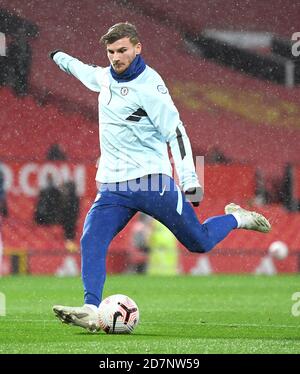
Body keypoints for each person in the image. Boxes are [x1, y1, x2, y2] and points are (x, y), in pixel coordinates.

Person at [50, 22, 271, 332]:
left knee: (199, 242)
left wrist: (190, 179)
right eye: (111, 52)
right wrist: (59, 57)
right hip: (114, 185)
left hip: (152, 182)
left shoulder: (150, 87)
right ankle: (91, 308)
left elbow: (175, 132)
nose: (116, 57)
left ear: (138, 48)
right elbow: (85, 72)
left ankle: (237, 219)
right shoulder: (105, 77)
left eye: (122, 50)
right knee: (91, 238)